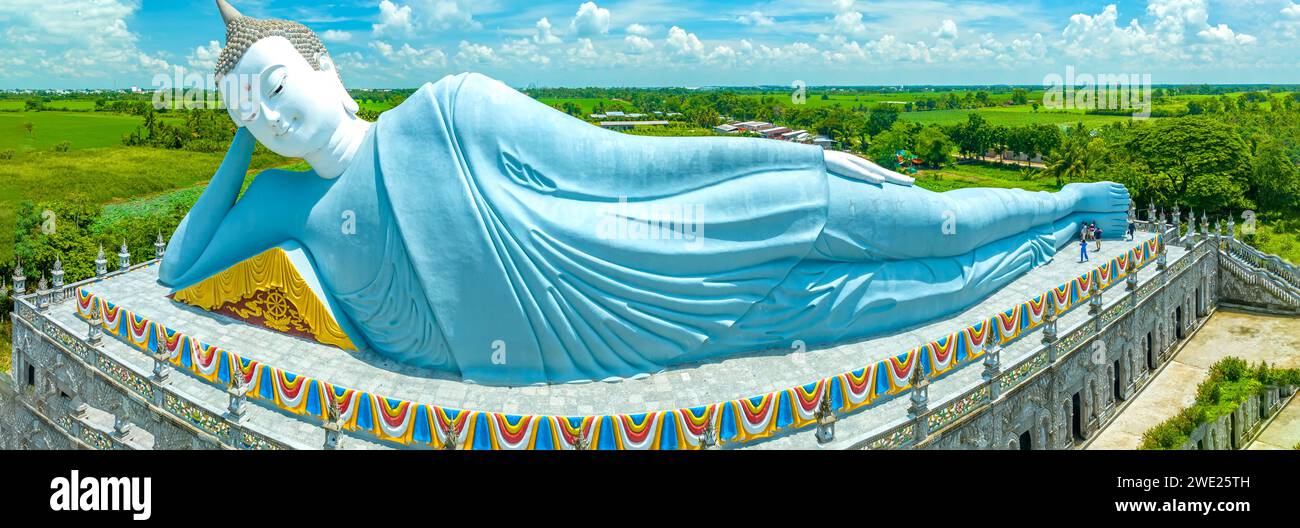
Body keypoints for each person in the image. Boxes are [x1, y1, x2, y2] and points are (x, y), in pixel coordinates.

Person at [158, 1, 1132, 385]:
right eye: (250, 113)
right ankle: (1036, 247)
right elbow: (179, 270)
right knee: (872, 299)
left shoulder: (445, 110)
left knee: (906, 220)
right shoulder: (294, 213)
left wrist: (795, 163)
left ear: (331, 74)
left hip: (648, 245)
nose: (272, 118)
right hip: (637, 335)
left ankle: (1058, 204)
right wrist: (237, 152)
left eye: (278, 86)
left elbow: (620, 167)